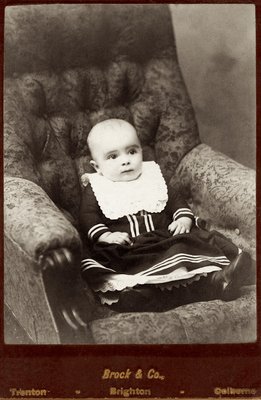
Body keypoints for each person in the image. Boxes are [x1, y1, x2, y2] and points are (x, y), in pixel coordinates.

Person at [79, 118, 253, 312]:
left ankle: (218, 280)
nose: (126, 160)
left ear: (140, 151)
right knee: (122, 271)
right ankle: (140, 297)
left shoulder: (152, 177)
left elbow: (175, 199)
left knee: (184, 246)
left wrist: (183, 218)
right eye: (113, 157)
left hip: (163, 241)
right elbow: (88, 216)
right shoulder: (97, 187)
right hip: (128, 249)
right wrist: (106, 236)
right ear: (97, 167)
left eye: (132, 151)